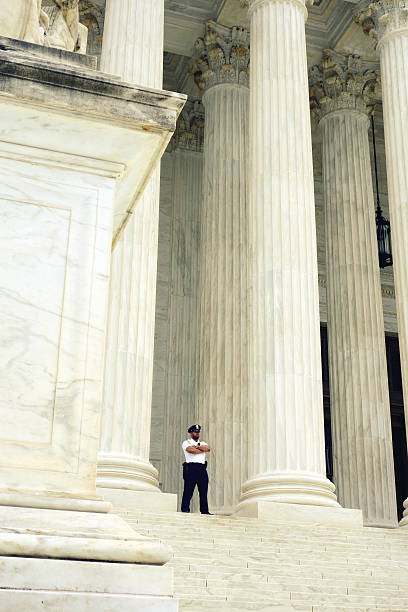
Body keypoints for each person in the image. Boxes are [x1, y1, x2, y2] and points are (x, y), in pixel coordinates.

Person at [181, 424, 211, 514]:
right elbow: (191, 450)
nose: (197, 433)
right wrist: (201, 450)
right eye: (195, 432)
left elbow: (208, 448)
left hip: (202, 468)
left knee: (203, 491)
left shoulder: (203, 443)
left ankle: (204, 511)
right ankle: (185, 509)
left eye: (198, 432)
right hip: (191, 468)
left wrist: (197, 446)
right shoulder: (186, 442)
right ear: (191, 433)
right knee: (188, 490)